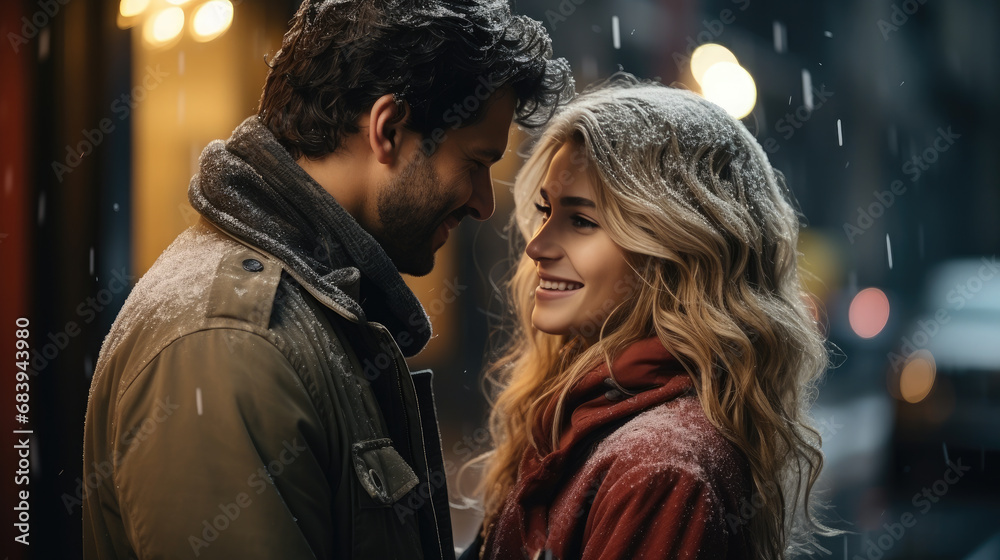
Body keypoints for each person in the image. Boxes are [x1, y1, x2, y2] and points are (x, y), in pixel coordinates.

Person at [82, 0, 573, 558]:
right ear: (387, 129)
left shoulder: (309, 310)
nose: (485, 204)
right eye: (476, 162)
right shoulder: (229, 342)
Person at [464, 75, 838, 559]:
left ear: (676, 248)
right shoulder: (581, 418)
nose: (536, 245)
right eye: (546, 210)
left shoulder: (659, 471)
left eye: (581, 220)